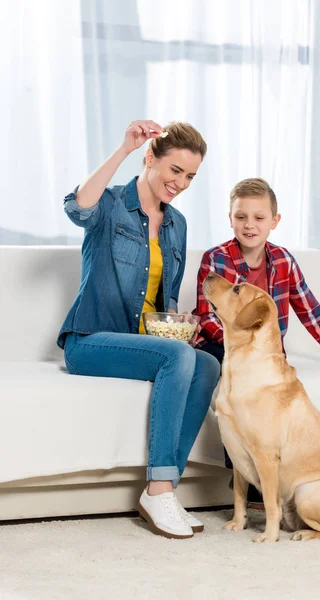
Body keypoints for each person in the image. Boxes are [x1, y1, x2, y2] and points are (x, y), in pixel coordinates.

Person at [57, 120, 220, 540]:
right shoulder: (110, 205)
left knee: (205, 364)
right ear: (150, 159)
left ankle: (164, 489)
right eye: (174, 171)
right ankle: (160, 488)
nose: (180, 183)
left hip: (147, 343)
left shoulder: (176, 224)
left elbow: (164, 300)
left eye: (189, 176)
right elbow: (78, 207)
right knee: (183, 357)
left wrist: (177, 323)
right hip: (90, 340)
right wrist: (123, 147)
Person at [193, 177, 320, 508]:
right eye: (241, 217)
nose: (249, 225)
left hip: (264, 355)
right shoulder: (216, 259)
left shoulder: (283, 261)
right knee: (236, 393)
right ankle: (246, 476)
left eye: (259, 218)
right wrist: (241, 347)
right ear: (230, 218)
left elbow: (311, 311)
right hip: (222, 346)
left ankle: (285, 471)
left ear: (274, 221)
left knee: (273, 399)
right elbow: (207, 317)